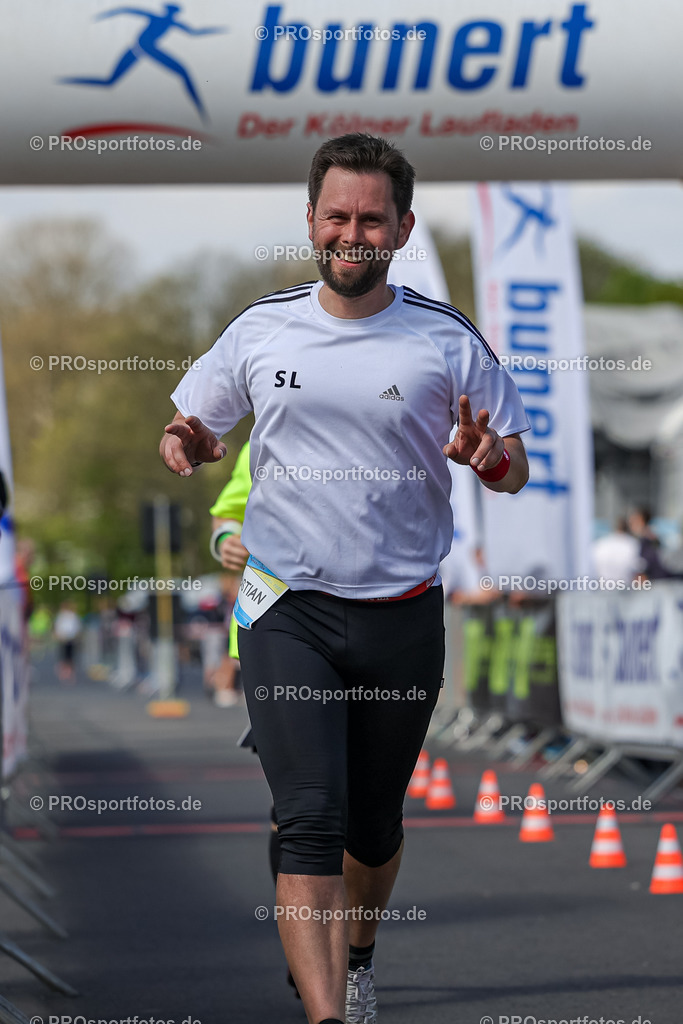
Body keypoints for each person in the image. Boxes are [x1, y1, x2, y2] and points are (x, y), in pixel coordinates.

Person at [160, 133, 529, 1024]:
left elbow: (514, 463)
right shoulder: (261, 326)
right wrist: (187, 442)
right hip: (285, 607)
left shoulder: (446, 339)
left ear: (401, 228)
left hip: (401, 613)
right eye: (336, 216)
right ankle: (326, 1013)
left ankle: (355, 956)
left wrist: (488, 457)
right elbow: (185, 427)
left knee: (372, 826)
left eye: (371, 219)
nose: (351, 234)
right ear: (313, 222)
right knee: (311, 816)